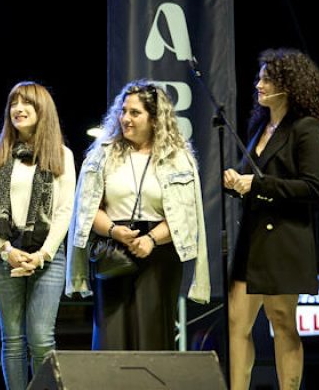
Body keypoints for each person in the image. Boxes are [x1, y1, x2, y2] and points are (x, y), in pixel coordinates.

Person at [65, 80, 210, 351]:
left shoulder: (178, 159)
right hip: (113, 250)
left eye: (134, 113)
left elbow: (185, 216)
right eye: (123, 111)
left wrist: (151, 240)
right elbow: (86, 211)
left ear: (155, 119)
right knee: (112, 340)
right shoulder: (102, 155)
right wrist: (113, 230)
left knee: (153, 338)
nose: (125, 119)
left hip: (159, 255)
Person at [224, 48, 319, 390]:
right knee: (236, 322)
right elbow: (252, 179)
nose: (259, 84)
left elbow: (312, 187)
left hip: (283, 239)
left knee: (282, 321)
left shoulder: (305, 128)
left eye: (267, 78)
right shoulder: (260, 126)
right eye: (260, 77)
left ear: (289, 84)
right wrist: (235, 184)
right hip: (252, 240)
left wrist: (259, 184)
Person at [0, 82, 75, 389]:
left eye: (27, 104)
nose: (18, 109)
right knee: (12, 340)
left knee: (40, 338)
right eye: (14, 104)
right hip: (4, 254)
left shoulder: (62, 155)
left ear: (42, 111)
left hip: (47, 256)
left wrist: (41, 255)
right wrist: (4, 248)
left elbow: (65, 211)